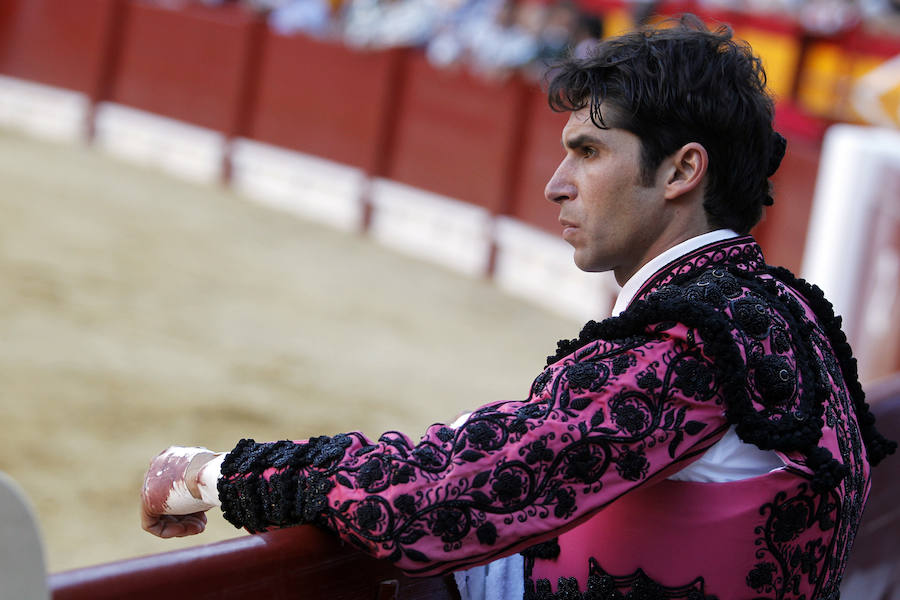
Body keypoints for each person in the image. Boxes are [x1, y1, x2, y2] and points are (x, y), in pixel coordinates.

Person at [141, 16, 895, 600]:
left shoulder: (689, 347)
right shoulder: (777, 308)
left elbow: (431, 500)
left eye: (590, 152)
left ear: (681, 170)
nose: (556, 184)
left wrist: (215, 474)